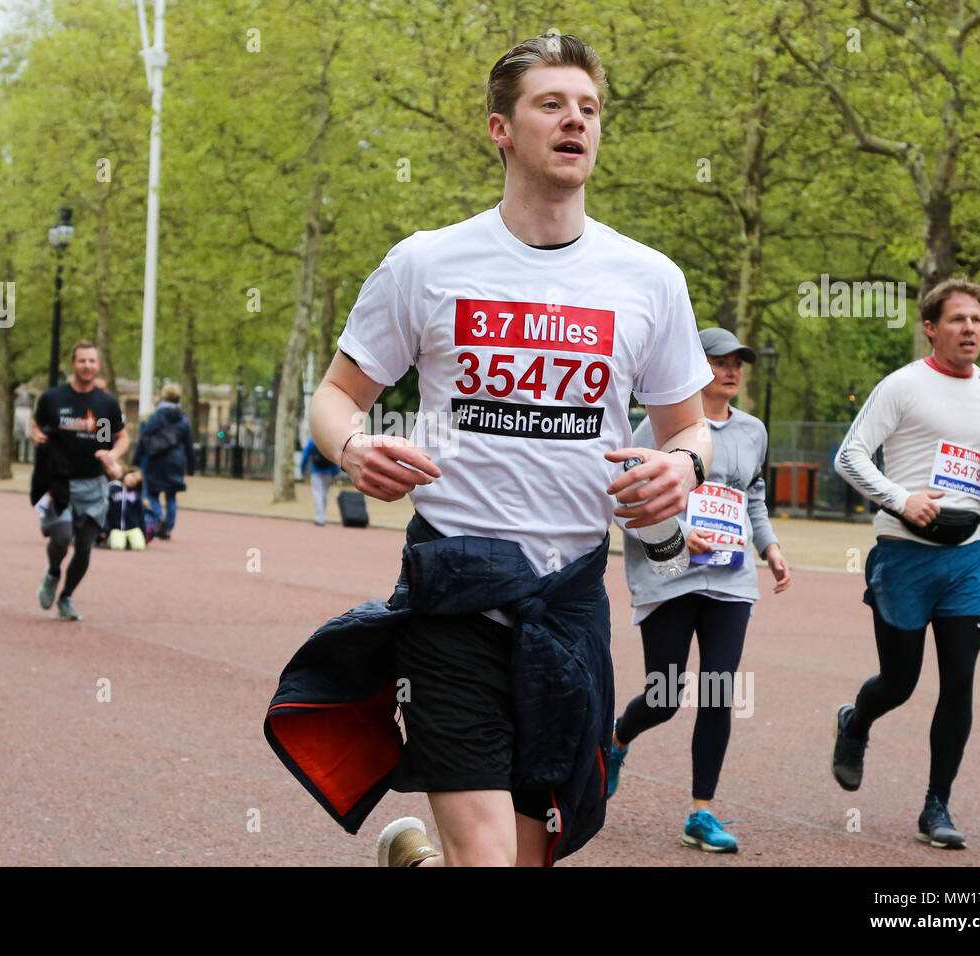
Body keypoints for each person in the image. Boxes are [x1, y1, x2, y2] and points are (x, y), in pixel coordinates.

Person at [264, 34, 714, 868]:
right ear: (501, 129)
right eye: (552, 104)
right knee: (489, 859)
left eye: (588, 108)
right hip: (453, 592)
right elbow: (332, 398)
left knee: (529, 857)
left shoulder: (648, 278)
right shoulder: (429, 262)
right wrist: (354, 448)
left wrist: (681, 467)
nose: (575, 120)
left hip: (570, 598)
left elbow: (691, 427)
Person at [831, 278, 980, 850]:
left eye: (976, 320)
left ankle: (936, 806)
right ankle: (856, 721)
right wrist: (902, 499)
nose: (969, 329)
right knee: (899, 683)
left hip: (968, 557)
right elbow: (848, 455)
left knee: (960, 685)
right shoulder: (903, 386)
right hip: (903, 554)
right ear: (931, 327)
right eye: (957, 320)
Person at [606, 327, 790, 853]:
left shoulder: (753, 430)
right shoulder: (657, 428)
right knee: (665, 697)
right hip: (670, 576)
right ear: (695, 365)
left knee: (718, 691)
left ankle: (701, 814)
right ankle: (617, 740)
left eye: (738, 362)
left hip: (731, 579)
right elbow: (627, 500)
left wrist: (770, 547)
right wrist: (686, 536)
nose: (731, 370)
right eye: (719, 361)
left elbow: (752, 496)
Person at [30, 340, 128, 621]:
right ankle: (52, 574)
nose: (87, 366)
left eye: (92, 361)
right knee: (60, 537)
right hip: (59, 481)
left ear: (98, 365)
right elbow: (37, 425)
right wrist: (34, 434)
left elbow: (118, 437)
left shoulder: (105, 403)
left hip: (93, 483)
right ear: (73, 364)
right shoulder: (53, 399)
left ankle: (66, 596)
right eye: (82, 360)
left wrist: (112, 455)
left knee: (85, 546)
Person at [134, 383, 194, 541]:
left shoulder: (156, 417)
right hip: (176, 461)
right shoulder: (184, 420)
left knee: (152, 493)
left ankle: (159, 516)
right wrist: (192, 466)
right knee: (171, 496)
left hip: (158, 460)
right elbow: (188, 445)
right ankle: (167, 528)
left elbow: (145, 439)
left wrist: (137, 459)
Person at [102, 466, 148, 551]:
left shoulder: (135, 495)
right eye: (133, 476)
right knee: (117, 547)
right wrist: (106, 528)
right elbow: (105, 510)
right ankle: (113, 539)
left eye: (137, 481)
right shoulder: (113, 489)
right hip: (116, 527)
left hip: (132, 527)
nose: (133, 480)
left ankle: (128, 540)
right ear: (127, 473)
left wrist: (143, 533)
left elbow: (141, 515)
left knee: (139, 547)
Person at [299, 436, 340, 526]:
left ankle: (320, 518)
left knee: (317, 494)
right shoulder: (330, 440)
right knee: (324, 495)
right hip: (328, 472)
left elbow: (305, 455)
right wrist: (336, 472)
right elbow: (335, 457)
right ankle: (322, 516)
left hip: (316, 472)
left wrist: (302, 469)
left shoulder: (312, 440)